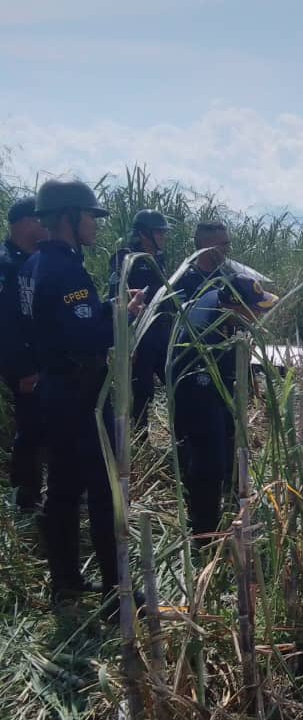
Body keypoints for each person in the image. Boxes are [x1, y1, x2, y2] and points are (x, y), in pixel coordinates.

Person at [25, 178, 145, 605]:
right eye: (90, 216)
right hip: (80, 396)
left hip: (55, 390)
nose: (95, 225)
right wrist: (125, 316)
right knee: (102, 490)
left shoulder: (36, 265)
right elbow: (87, 338)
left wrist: (105, 309)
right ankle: (118, 592)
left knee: (61, 488)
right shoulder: (65, 270)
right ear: (68, 217)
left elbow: (65, 322)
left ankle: (66, 583)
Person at [171, 222, 277, 544]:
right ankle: (205, 535)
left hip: (212, 392)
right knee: (207, 464)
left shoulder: (219, 300)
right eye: (253, 312)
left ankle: (220, 515)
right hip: (199, 393)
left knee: (219, 455)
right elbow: (195, 375)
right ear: (235, 308)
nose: (258, 319)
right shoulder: (203, 329)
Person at [1, 197, 48, 512]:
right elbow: (5, 324)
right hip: (24, 367)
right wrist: (22, 371)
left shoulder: (37, 259)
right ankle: (25, 499)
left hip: (43, 364)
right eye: (40, 220)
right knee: (30, 430)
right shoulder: (6, 264)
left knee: (41, 428)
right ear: (26, 222)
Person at [108, 209, 171, 430]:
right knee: (141, 390)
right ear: (145, 234)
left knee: (175, 381)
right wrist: (127, 342)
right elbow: (116, 299)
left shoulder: (160, 258)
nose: (164, 237)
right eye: (159, 232)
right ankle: (140, 440)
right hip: (140, 337)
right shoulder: (125, 259)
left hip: (162, 333)